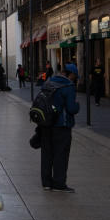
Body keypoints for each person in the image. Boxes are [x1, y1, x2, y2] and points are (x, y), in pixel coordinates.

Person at [38, 64, 80, 193]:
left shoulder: (48, 83)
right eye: (74, 77)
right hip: (61, 126)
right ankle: (59, 183)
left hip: (45, 125)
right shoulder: (69, 86)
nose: (74, 79)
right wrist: (77, 105)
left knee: (46, 154)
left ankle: (46, 182)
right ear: (71, 74)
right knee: (60, 154)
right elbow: (71, 108)